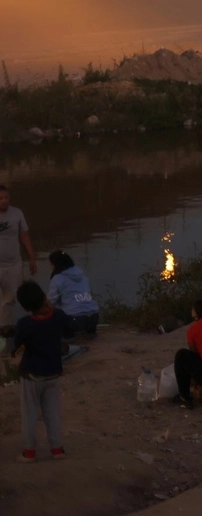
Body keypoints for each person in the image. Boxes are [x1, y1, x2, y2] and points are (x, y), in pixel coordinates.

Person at [10, 281, 68, 462]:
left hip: (31, 376)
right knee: (52, 413)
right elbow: (68, 330)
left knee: (30, 415)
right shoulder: (58, 316)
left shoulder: (25, 324)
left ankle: (29, 452)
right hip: (53, 374)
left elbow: (16, 346)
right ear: (44, 297)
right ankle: (57, 449)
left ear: (25, 306)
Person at [0, 185, 37, 337]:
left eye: (6, 198)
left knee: (11, 298)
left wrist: (32, 258)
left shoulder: (17, 213)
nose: (4, 201)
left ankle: (4, 328)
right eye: (0, 198)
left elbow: (24, 237)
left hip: (13, 264)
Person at [46, 250, 100, 340]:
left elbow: (50, 303)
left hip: (75, 321)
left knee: (50, 310)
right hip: (94, 317)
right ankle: (89, 332)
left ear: (55, 264)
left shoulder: (58, 279)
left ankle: (67, 336)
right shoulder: (83, 277)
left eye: (51, 264)